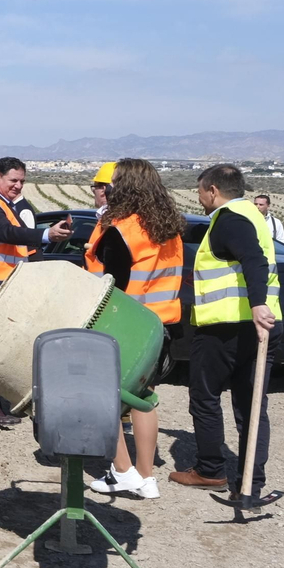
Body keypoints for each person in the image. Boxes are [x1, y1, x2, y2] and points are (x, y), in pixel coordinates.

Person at [170, 164, 281, 498]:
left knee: (205, 397)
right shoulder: (253, 216)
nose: (199, 198)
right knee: (251, 406)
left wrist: (257, 304)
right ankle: (251, 484)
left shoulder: (230, 220)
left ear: (213, 190)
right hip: (261, 326)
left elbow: (253, 259)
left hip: (226, 328)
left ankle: (210, 470)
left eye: (200, 192)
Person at [83, 159, 183, 500]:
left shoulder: (123, 230)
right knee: (144, 397)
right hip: (162, 326)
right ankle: (146, 475)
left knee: (102, 395)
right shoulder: (169, 228)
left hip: (126, 326)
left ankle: (123, 471)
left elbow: (111, 285)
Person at [0, 157, 72, 427]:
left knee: (7, 347)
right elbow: (5, 233)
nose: (18, 186)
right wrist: (46, 235)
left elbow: (21, 243)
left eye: (22, 181)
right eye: (13, 180)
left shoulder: (8, 206)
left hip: (5, 286)